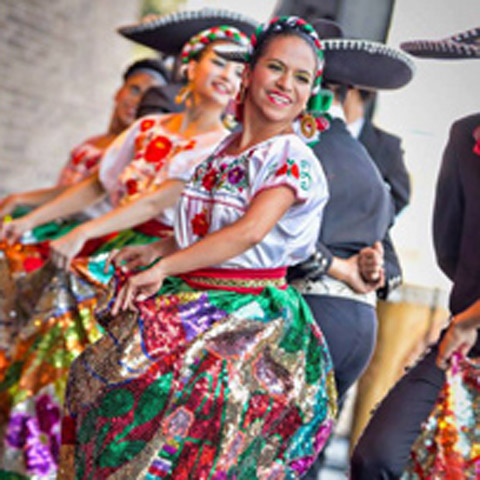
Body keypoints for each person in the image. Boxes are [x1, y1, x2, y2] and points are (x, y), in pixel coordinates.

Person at [58, 16, 337, 479]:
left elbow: (248, 233)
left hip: (246, 319)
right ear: (248, 74)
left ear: (311, 94)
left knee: (191, 443)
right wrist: (158, 248)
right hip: (196, 300)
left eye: (302, 77)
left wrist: (165, 264)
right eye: (276, 68)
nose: (287, 84)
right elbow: (212, 227)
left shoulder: (292, 158)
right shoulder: (222, 150)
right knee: (97, 384)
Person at [0, 11, 254, 479]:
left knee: (111, 384)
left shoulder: (226, 146)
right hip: (104, 254)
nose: (228, 77)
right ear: (189, 63)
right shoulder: (148, 129)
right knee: (51, 357)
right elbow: (97, 186)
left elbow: (156, 202)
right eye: (219, 63)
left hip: (157, 266)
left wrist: (83, 233)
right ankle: (34, 465)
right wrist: (35, 219)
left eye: (240, 72)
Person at [350, 27, 480, 479]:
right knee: (377, 455)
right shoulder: (467, 135)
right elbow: (450, 241)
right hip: (464, 340)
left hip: (468, 326)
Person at [288, 19, 413, 402]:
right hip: (354, 328)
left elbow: (279, 233)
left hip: (304, 318)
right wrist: (361, 268)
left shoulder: (295, 147)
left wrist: (355, 269)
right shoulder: (364, 163)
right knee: (300, 453)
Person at [0, 58, 168, 219]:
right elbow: (64, 189)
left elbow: (81, 192)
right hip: (53, 221)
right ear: (118, 92)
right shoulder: (93, 141)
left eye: (147, 98)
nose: (137, 101)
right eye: (134, 89)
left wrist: (22, 199)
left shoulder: (132, 152)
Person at [344, 87, 410, 299]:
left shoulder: (387, 145)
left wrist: (371, 219)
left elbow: (401, 195)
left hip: (364, 246)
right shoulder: (315, 132)